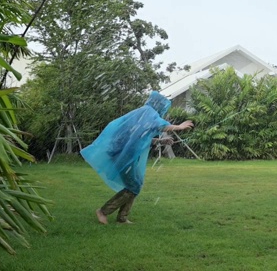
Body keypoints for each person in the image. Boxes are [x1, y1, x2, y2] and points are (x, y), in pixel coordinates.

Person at [80, 91, 193, 224]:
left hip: (124, 155)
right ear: (158, 104)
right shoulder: (148, 113)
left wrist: (161, 141)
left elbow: (140, 138)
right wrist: (178, 127)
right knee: (133, 186)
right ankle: (103, 211)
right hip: (122, 156)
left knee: (136, 184)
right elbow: (160, 125)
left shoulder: (141, 114)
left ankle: (122, 218)